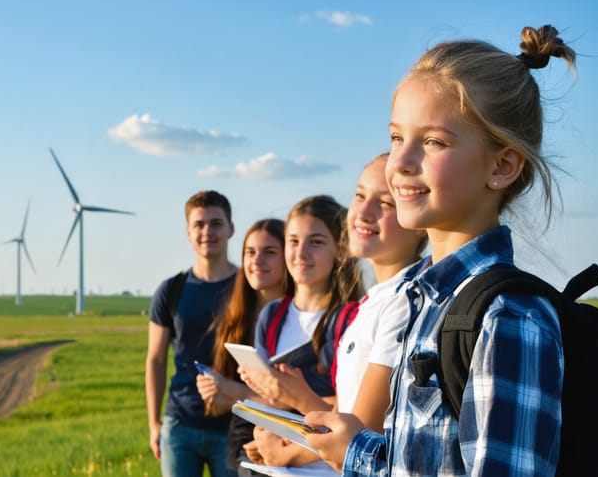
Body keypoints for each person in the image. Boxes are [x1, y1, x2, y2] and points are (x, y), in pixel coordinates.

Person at [305, 25, 576, 476]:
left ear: (502, 166)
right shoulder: (418, 296)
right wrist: (360, 449)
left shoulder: (508, 317)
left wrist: (357, 457)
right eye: (396, 138)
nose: (401, 162)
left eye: (432, 142)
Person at [242, 155, 428, 470]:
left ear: (419, 223)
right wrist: (282, 442)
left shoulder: (404, 303)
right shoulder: (371, 305)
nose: (363, 213)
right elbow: (345, 416)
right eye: (359, 195)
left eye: (385, 202)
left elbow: (358, 437)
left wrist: (286, 448)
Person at [146, 190, 239, 477]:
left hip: (234, 426)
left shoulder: (247, 288)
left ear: (230, 229)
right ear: (188, 233)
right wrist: (154, 423)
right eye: (199, 225)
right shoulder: (170, 290)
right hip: (180, 426)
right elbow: (155, 360)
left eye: (216, 223)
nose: (207, 231)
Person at [196, 218, 295, 476]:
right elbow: (223, 404)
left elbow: (296, 403)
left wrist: (232, 390)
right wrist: (214, 391)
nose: (257, 261)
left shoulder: (301, 322)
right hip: (243, 447)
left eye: (269, 252)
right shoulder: (235, 321)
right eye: (250, 252)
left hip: (289, 448)